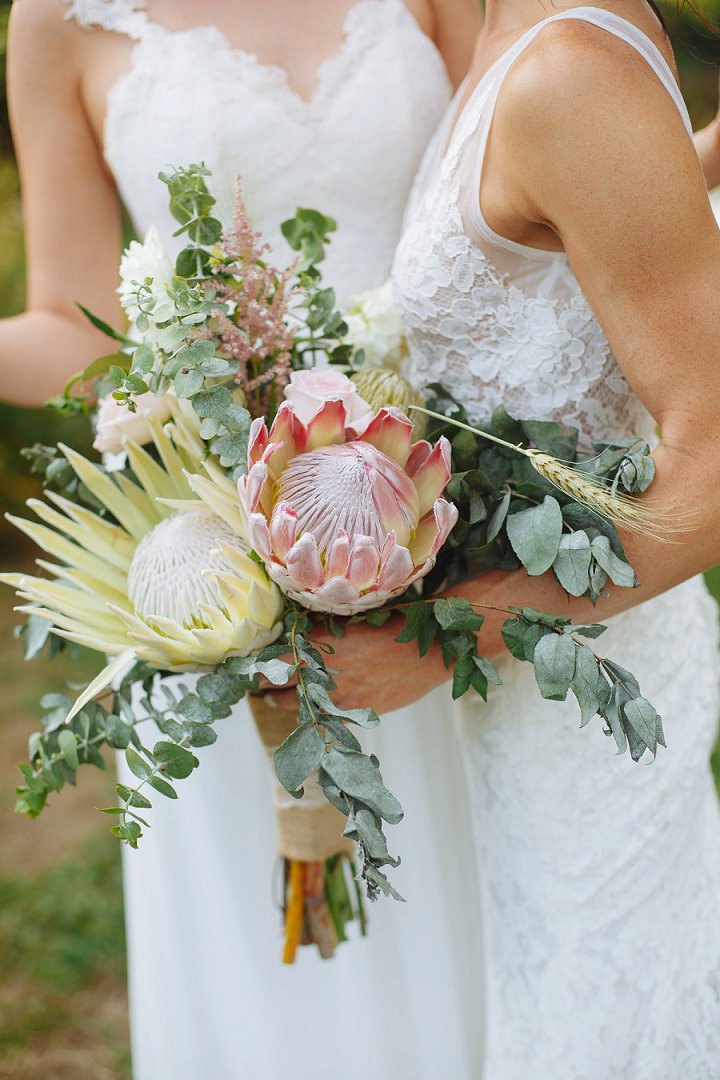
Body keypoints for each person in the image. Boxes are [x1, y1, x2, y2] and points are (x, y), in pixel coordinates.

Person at [4, 2, 485, 1078]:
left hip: (439, 513)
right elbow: (67, 323)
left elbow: (540, 192)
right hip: (208, 541)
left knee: (458, 887)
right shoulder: (57, 18)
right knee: (272, 975)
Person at [305, 0, 720, 1074]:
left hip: (595, 689)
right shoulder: (509, 30)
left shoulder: (566, 70)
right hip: (540, 708)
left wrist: (445, 631)